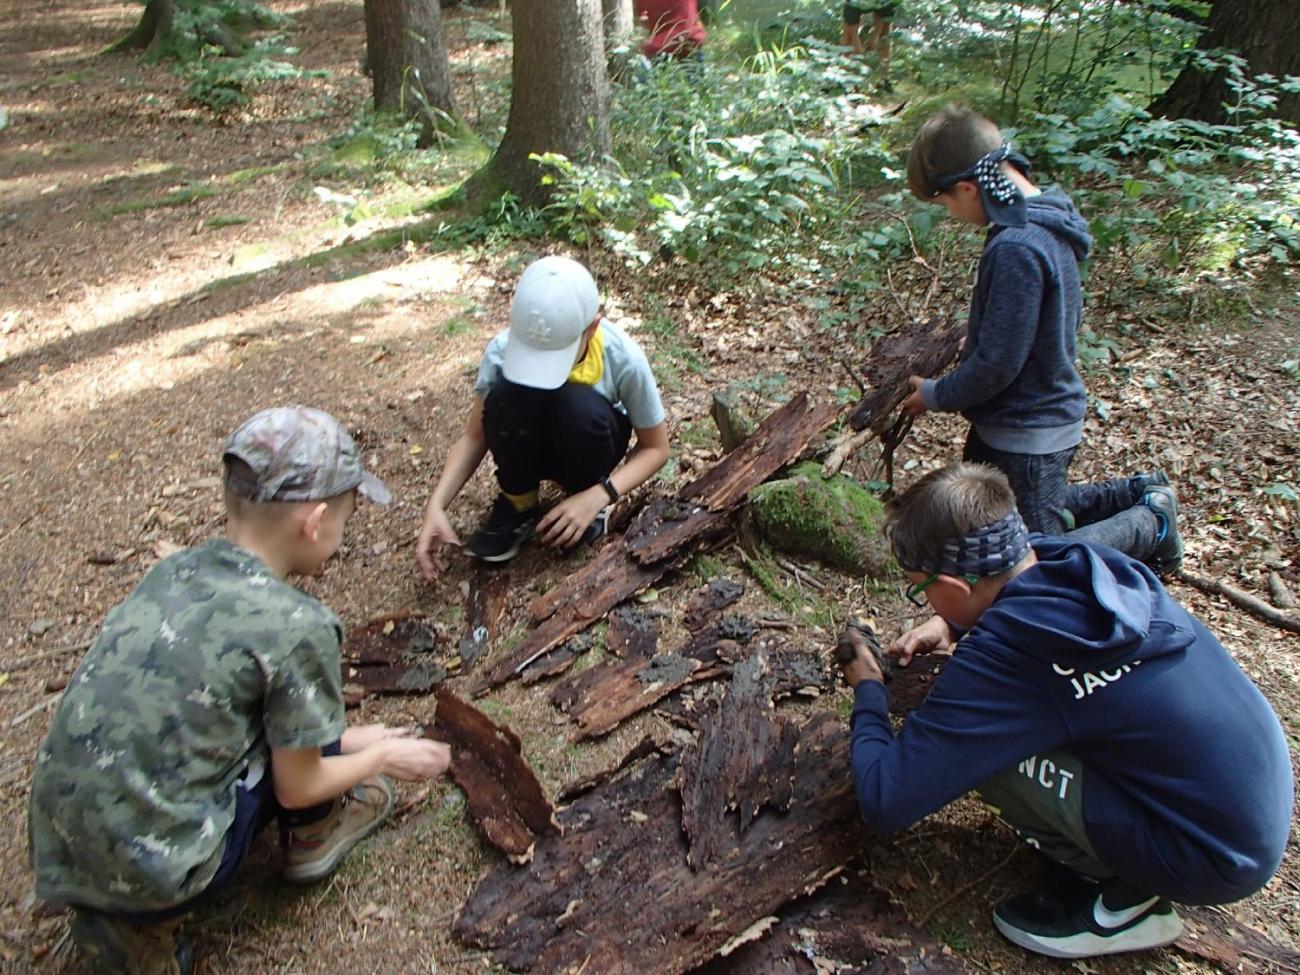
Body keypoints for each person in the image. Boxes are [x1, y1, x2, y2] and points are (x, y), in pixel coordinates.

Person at [28, 407, 453, 974]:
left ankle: (117, 917)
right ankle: (296, 847)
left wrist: (348, 737)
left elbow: (195, 704)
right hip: (163, 871)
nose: (342, 537)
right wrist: (382, 754)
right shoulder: (297, 623)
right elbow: (299, 786)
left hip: (58, 849)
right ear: (315, 520)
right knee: (297, 726)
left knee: (265, 712)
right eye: (347, 520)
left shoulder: (174, 573)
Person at [839, 462, 1292, 960]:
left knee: (993, 762)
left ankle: (1121, 904)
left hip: (1211, 856)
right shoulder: (1077, 562)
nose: (920, 597)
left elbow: (885, 797)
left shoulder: (1011, 655)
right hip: (1247, 801)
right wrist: (951, 623)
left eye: (918, 587)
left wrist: (870, 689)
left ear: (957, 584)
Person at [901, 104, 1183, 576]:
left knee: (1037, 558)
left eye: (947, 203)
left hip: (1028, 427)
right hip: (1019, 419)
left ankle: (1150, 522)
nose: (951, 215)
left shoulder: (1016, 246)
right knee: (995, 519)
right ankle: (1139, 490)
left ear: (969, 187)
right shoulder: (1048, 217)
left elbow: (997, 364)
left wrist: (934, 394)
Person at [417, 256, 670, 577]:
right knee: (506, 393)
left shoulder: (623, 359)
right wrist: (436, 505)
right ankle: (519, 504)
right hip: (529, 441)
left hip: (589, 443)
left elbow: (656, 448)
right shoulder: (501, 350)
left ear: (592, 328)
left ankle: (584, 508)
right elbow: (474, 435)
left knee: (576, 403)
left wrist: (600, 494)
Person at [841, 1, 897, 89]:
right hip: (855, 7)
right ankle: (842, 77)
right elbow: (850, 23)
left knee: (885, 34)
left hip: (884, 5)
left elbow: (886, 17)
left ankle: (885, 79)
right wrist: (856, 44)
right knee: (848, 37)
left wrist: (876, 36)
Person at [634, 0, 707, 63]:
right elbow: (639, 20)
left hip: (688, 46)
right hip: (659, 49)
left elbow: (685, 28)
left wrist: (647, 48)